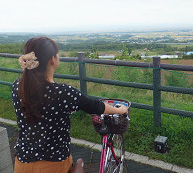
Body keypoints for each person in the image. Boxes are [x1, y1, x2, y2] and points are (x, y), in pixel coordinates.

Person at [12, 37, 128, 173]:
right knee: (79, 164)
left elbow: (41, 104)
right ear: (52, 59)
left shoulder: (17, 86)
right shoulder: (64, 93)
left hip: (22, 164)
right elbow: (96, 106)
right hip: (55, 164)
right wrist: (120, 110)